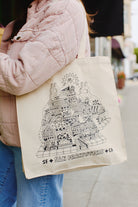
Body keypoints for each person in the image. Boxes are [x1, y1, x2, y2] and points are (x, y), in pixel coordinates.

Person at [0, 0, 90, 206]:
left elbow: (20, 76)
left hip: (40, 139)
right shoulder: (26, 12)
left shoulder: (65, 9)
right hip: (7, 133)